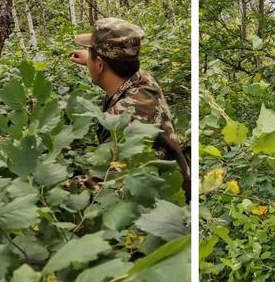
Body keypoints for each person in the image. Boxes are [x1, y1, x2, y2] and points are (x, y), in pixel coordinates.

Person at [70, 17, 190, 201]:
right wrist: (90, 60)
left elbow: (103, 191)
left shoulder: (125, 121)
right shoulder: (144, 81)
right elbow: (117, 79)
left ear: (100, 64)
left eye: (91, 55)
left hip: (164, 210)